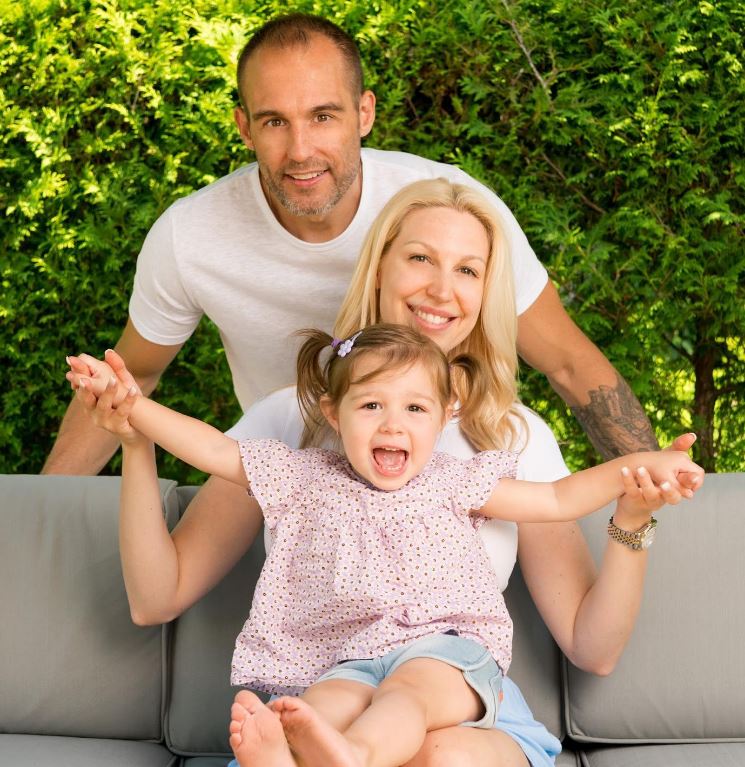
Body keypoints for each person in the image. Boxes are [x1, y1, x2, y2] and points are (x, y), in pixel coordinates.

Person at [69, 179, 698, 767]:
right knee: (313, 715)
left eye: (468, 270)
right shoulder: (294, 431)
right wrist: (136, 433)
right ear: (381, 267)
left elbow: (590, 628)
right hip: (339, 675)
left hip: (451, 694)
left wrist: (632, 507)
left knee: (432, 751)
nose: (442, 289)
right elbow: (158, 593)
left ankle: (347, 756)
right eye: (421, 259)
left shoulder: (505, 440)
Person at [45, 12, 664, 476]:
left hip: (442, 471)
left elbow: (569, 364)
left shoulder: (447, 210)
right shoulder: (191, 237)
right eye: (274, 122)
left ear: (363, 113)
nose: (301, 150)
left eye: (323, 115)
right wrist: (34, 523)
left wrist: (665, 496)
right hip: (294, 487)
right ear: (244, 127)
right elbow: (135, 377)